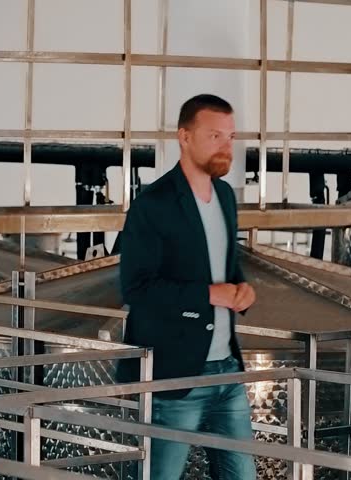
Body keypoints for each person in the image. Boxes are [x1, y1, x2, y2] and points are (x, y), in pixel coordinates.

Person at [118, 93, 257, 479]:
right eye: (215, 136)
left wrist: (242, 290)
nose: (226, 147)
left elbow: (226, 265)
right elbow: (135, 288)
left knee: (243, 476)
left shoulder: (225, 196)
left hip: (227, 370)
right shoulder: (153, 204)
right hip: (174, 375)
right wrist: (209, 295)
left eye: (230, 137)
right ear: (184, 137)